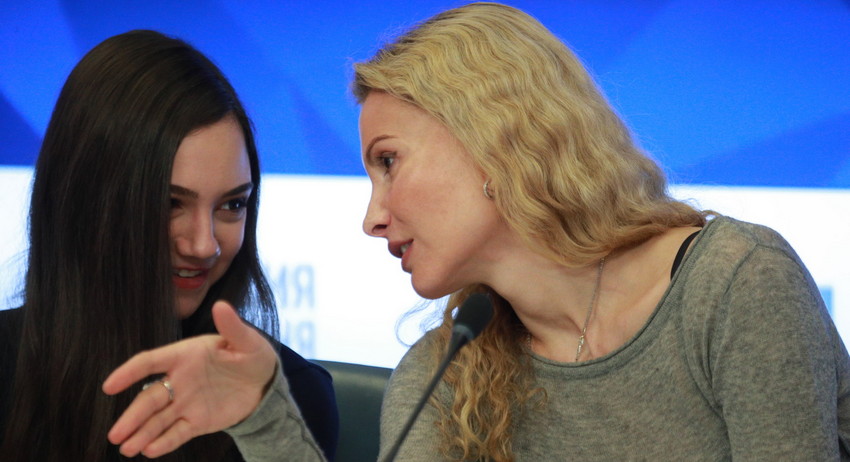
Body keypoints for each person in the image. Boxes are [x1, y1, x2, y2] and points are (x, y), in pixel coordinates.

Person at [100, 2, 850, 461]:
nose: (372, 218)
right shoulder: (444, 373)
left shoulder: (735, 285)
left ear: (494, 138)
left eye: (388, 162)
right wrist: (266, 414)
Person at [0, 30, 337, 461]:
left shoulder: (286, 399)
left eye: (232, 204)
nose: (204, 245)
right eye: (170, 203)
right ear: (84, 201)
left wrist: (265, 426)